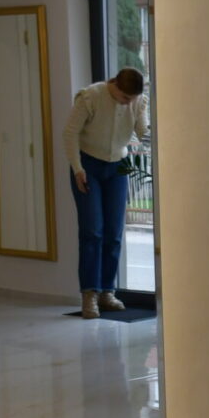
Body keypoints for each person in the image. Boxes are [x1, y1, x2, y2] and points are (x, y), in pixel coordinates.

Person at [61, 67, 151, 319]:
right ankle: (90, 294)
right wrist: (77, 168)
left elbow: (142, 132)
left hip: (118, 167)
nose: (128, 103)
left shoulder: (137, 102)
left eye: (132, 99)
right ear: (114, 86)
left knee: (114, 232)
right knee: (93, 231)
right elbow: (70, 133)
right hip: (88, 166)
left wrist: (152, 129)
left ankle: (107, 292)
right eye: (125, 97)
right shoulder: (90, 97)